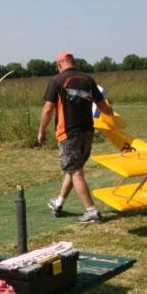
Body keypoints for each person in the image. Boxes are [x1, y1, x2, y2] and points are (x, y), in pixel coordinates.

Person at [38, 52, 113, 223]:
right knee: (73, 169)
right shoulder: (88, 79)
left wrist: (41, 131)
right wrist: (111, 115)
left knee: (75, 171)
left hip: (68, 133)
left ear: (59, 64)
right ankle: (59, 202)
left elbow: (48, 109)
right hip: (88, 132)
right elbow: (103, 106)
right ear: (74, 62)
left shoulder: (56, 80)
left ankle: (92, 211)